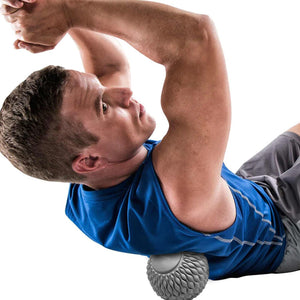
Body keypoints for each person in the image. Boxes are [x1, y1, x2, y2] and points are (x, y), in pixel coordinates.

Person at [0, 0, 299, 281]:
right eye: (103, 106)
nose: (124, 94)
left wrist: (47, 7)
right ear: (89, 160)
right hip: (284, 229)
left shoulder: (91, 176)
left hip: (245, 190)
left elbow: (110, 69)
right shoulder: (178, 187)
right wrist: (67, 11)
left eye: (102, 90)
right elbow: (195, 38)